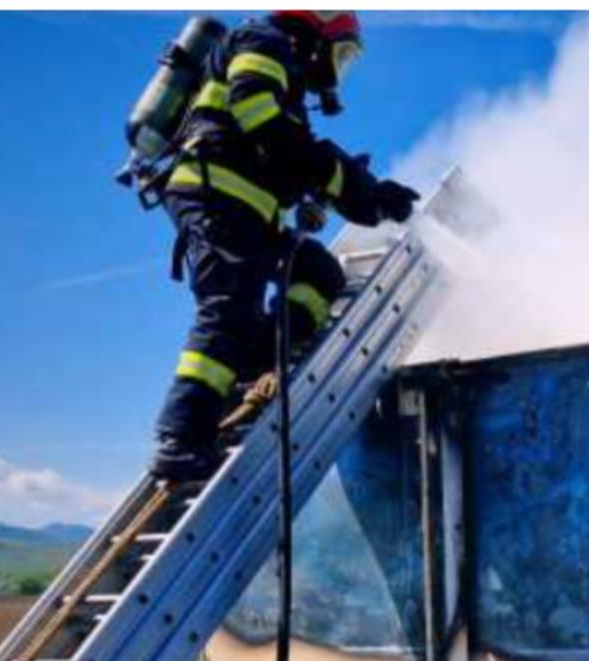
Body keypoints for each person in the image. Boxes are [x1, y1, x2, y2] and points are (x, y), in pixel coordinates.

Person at [149, 10, 423, 483]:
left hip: (250, 208)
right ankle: (180, 438)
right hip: (216, 194)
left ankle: (250, 359)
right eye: (343, 55)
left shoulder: (288, 82)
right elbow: (261, 120)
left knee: (320, 275)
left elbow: (292, 154)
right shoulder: (264, 39)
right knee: (228, 307)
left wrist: (373, 196)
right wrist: (344, 181)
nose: (340, 70)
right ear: (315, 35)